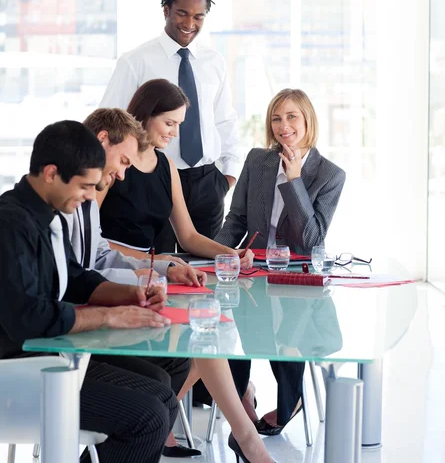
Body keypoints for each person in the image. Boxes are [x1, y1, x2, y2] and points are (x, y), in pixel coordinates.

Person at [98, 81, 277, 463]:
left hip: (156, 272)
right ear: (145, 115)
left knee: (208, 326)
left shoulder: (167, 167)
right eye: (170, 122)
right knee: (203, 333)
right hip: (119, 275)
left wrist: (232, 253)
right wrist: (158, 261)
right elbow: (92, 244)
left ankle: (186, 429)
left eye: (180, 124)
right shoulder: (111, 168)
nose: (175, 132)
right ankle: (243, 440)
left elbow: (191, 235)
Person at [0, 121, 176, 463]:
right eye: (84, 186)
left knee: (163, 393)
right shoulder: (10, 224)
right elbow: (30, 319)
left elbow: (78, 278)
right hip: (18, 370)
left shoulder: (46, 216)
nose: (88, 196)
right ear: (51, 173)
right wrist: (109, 316)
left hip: (48, 357)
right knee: (149, 418)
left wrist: (132, 296)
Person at [59, 107, 202, 458]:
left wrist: (159, 271)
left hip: (76, 334)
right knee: (153, 404)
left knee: (168, 378)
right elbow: (72, 279)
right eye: (123, 161)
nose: (123, 174)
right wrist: (115, 307)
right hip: (59, 346)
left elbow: (98, 256)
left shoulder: (87, 197)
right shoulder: (54, 203)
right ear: (102, 140)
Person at [215, 88, 346, 435]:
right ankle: (240, 395)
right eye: (276, 118)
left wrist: (294, 180)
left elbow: (311, 240)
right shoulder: (257, 161)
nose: (283, 125)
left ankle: (292, 399)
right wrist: (217, 257)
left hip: (297, 276)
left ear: (307, 121)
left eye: (291, 117)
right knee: (231, 329)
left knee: (288, 333)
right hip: (251, 270)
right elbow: (237, 219)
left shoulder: (330, 175)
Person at [99, 0, 242, 252]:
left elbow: (225, 121)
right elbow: (109, 120)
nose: (190, 24)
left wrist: (227, 178)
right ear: (166, 10)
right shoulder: (136, 61)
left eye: (199, 17)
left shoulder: (214, 62)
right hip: (154, 181)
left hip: (208, 183)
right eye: (182, 13)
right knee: (160, 266)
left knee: (206, 269)